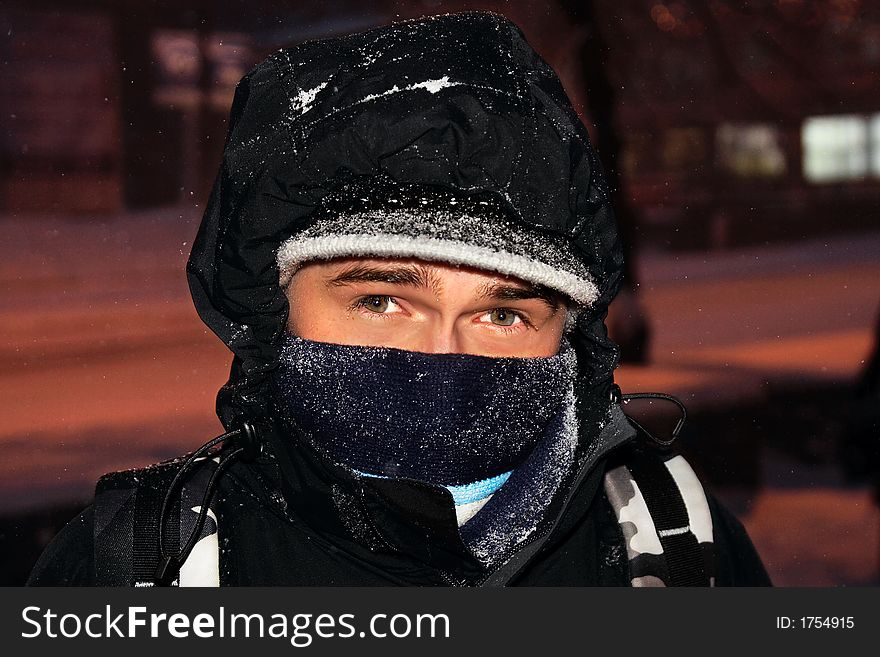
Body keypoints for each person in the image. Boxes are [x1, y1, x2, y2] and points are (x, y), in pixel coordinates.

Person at [27, 11, 770, 587]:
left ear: (567, 340)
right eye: (381, 300)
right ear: (275, 313)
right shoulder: (140, 567)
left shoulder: (674, 548)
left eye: (503, 314)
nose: (441, 358)